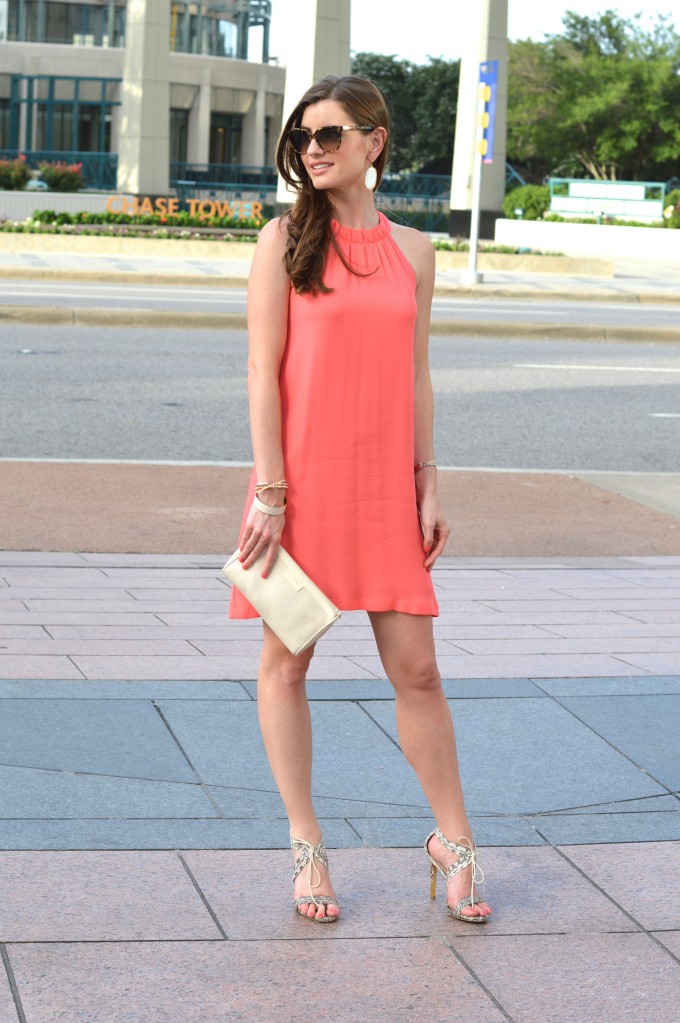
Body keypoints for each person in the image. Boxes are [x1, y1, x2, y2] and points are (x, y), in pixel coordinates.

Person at [230, 74, 491, 925]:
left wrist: (429, 479)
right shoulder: (280, 241)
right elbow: (262, 376)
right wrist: (269, 489)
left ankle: (453, 841)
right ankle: (307, 847)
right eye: (304, 134)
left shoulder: (417, 251)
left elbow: (417, 375)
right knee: (289, 664)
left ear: (375, 141)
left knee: (417, 668)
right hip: (297, 490)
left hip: (384, 490)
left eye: (331, 133)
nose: (313, 148)